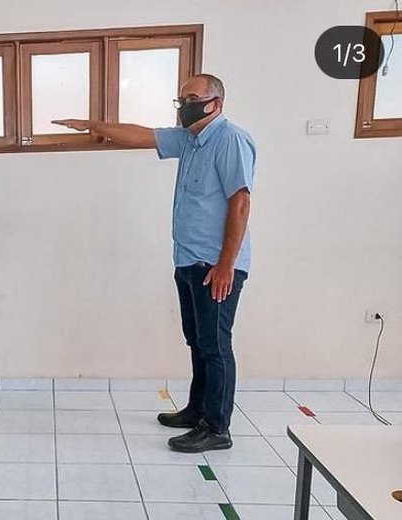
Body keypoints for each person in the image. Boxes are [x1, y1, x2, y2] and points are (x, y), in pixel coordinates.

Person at [53, 73, 256, 453]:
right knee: (197, 341)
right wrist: (91, 125)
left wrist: (227, 264)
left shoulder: (229, 139)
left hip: (216, 265)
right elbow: (140, 134)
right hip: (190, 260)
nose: (185, 106)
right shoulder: (191, 140)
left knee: (215, 345)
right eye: (181, 100)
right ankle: (197, 411)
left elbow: (240, 202)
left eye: (192, 98)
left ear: (216, 102)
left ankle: (217, 427)